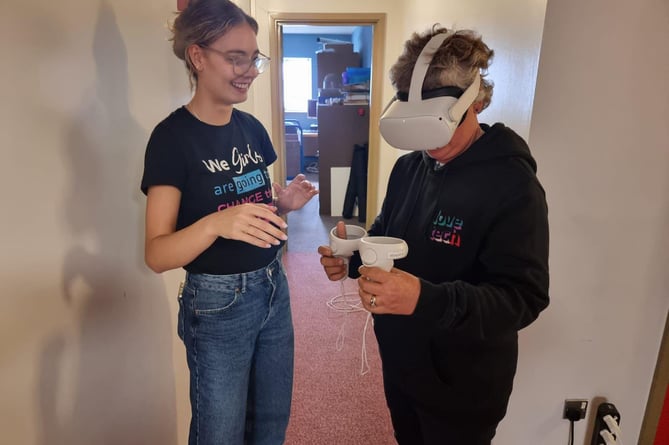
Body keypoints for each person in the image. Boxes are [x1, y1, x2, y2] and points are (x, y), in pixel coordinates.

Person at [318, 25, 549, 445]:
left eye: (438, 125)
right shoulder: (409, 168)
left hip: (462, 387)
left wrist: (425, 299)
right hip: (403, 367)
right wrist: (352, 256)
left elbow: (523, 298)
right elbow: (387, 237)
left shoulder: (512, 184)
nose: (429, 144)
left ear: (475, 101)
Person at [140, 1, 317, 444]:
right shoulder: (171, 139)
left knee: (271, 424)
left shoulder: (253, 128)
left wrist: (284, 204)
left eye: (253, 58)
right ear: (197, 57)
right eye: (235, 57)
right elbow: (157, 254)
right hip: (217, 306)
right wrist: (216, 223)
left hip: (274, 288)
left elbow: (255, 207)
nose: (250, 70)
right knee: (220, 434)